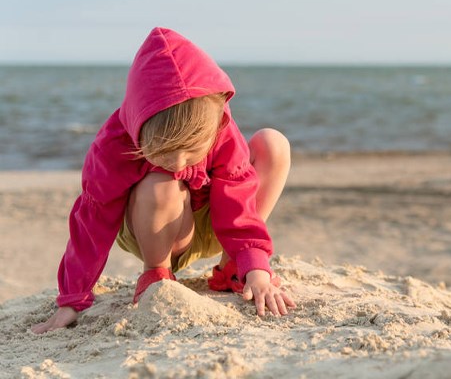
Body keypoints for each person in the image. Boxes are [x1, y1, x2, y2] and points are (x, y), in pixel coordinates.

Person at [31, 27, 296, 334]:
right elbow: (92, 221)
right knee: (162, 181)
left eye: (193, 152)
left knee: (272, 144)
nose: (182, 164)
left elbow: (238, 196)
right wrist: (71, 300)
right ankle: (157, 275)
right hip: (152, 226)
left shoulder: (220, 128)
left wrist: (256, 264)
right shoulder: (113, 145)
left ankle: (233, 268)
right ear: (139, 130)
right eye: (166, 154)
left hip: (216, 222)